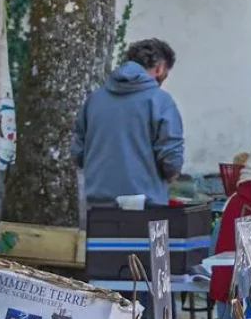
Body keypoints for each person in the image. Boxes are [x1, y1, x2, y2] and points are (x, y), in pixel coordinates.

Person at [73, 38, 184, 203]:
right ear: (160, 67)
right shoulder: (161, 101)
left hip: (97, 204)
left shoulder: (94, 99)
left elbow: (78, 153)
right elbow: (171, 159)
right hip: (146, 205)